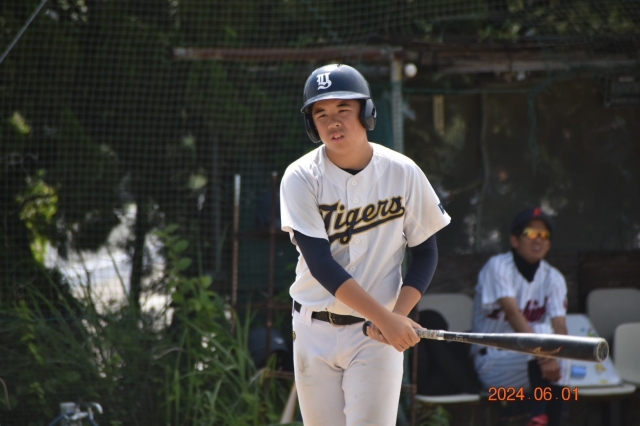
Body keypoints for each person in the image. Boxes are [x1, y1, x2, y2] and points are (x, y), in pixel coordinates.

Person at [280, 64, 451, 425]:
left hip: (375, 339)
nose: (333, 121)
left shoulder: (402, 171)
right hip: (314, 330)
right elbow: (321, 264)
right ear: (312, 124)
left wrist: (397, 316)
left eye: (343, 108)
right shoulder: (301, 177)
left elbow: (425, 252)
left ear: (366, 111)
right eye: (321, 113)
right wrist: (386, 319)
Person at [471, 207, 569, 426]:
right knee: (540, 334)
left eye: (544, 235)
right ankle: (539, 415)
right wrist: (544, 355)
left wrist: (554, 356)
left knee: (564, 351)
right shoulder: (498, 266)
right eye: (531, 233)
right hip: (493, 361)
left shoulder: (554, 278)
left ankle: (542, 418)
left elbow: (560, 327)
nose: (538, 240)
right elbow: (513, 314)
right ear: (515, 240)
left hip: (534, 363)